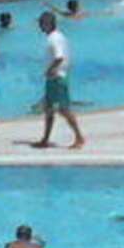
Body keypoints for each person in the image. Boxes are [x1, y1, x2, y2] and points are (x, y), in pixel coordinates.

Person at [32, 10, 84, 149]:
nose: (40, 27)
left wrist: (50, 70)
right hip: (53, 78)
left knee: (64, 109)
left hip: (58, 77)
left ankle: (79, 137)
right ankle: (45, 139)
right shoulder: (57, 36)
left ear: (48, 24)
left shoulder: (54, 39)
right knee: (49, 109)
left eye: (41, 23)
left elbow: (59, 57)